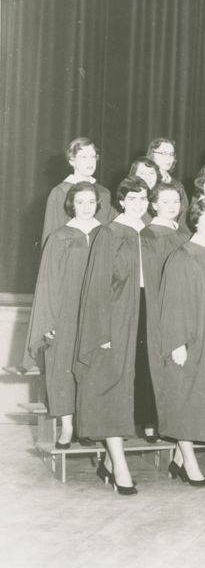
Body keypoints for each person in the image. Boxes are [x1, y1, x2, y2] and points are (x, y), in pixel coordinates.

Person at [75, 176, 152, 495]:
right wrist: (101, 331)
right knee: (113, 389)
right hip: (117, 318)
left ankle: (108, 461)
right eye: (132, 198)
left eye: (143, 198)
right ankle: (120, 465)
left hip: (146, 316)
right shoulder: (109, 232)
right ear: (121, 201)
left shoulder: (147, 233)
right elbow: (96, 288)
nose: (138, 204)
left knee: (134, 391)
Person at [156, 198, 205, 487]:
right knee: (186, 398)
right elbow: (173, 304)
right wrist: (176, 342)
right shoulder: (183, 256)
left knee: (204, 399)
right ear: (197, 221)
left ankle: (178, 459)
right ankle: (189, 462)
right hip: (192, 338)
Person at [25, 182, 102, 448]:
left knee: (94, 368)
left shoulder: (107, 234)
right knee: (63, 369)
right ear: (71, 204)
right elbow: (47, 283)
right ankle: (68, 427)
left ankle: (88, 425)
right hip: (66, 314)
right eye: (80, 202)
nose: (85, 207)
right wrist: (50, 321)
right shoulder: (59, 237)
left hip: (97, 315)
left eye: (91, 201)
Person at [139, 182, 190, 441]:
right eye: (166, 201)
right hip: (159, 307)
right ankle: (153, 421)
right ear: (153, 204)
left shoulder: (185, 234)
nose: (172, 206)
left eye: (176, 201)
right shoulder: (149, 235)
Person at [41, 137, 114, 245]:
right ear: (72, 161)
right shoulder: (60, 192)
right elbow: (50, 235)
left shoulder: (104, 193)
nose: (90, 161)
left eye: (93, 156)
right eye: (84, 157)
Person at [147, 137, 189, 208]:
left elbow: (184, 212)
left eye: (171, 154)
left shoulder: (178, 185)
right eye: (163, 153)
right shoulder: (146, 181)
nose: (168, 158)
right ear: (152, 154)